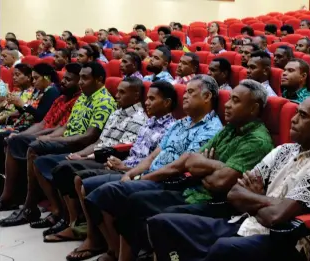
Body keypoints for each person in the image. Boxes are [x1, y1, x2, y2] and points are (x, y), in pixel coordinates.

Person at [148, 93, 310, 261]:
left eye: (303, 116)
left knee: (224, 248)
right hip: (245, 224)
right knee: (162, 224)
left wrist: (254, 198)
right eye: (296, 113)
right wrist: (267, 202)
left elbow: (276, 218)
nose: (293, 119)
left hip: (285, 243)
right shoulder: (285, 150)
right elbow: (234, 193)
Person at [112, 79, 274, 261]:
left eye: (235, 101)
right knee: (134, 201)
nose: (227, 105)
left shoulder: (256, 141)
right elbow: (191, 161)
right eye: (229, 99)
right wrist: (216, 166)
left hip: (214, 203)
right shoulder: (229, 128)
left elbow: (218, 183)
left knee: (161, 220)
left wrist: (207, 166)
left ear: (253, 108)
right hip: (193, 189)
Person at [81, 75, 223, 261]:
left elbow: (180, 167)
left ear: (207, 97)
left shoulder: (212, 129)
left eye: (190, 92)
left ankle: (125, 255)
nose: (185, 97)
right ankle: (114, 250)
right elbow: (154, 155)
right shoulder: (180, 123)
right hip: (150, 174)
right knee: (92, 187)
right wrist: (131, 173)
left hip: (171, 182)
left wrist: (141, 179)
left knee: (112, 193)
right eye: (185, 92)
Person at [59, 81, 176, 260]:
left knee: (101, 192)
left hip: (140, 173)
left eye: (152, 99)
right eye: (148, 98)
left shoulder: (170, 127)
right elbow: (134, 150)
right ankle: (107, 244)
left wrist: (126, 168)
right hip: (127, 166)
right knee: (79, 181)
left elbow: (155, 162)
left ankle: (113, 249)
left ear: (167, 102)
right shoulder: (150, 122)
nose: (147, 103)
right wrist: (120, 163)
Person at [0, 62, 117, 227]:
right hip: (68, 139)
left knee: (34, 149)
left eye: (85, 78)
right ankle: (43, 207)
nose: (81, 82)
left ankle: (33, 207)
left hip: (80, 145)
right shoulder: (84, 96)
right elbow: (64, 127)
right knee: (26, 144)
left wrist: (52, 140)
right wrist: (48, 137)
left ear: (98, 79)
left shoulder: (103, 101)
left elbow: (89, 136)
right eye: (80, 78)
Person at [0, 63, 82, 210]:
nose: (33, 82)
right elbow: (44, 122)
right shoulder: (60, 97)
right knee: (11, 138)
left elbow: (51, 124)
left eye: (36, 78)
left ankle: (13, 197)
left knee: (16, 141)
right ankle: (12, 192)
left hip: (61, 138)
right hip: (44, 131)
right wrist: (21, 134)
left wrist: (23, 110)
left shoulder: (54, 92)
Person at [1, 63, 61, 133]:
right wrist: (16, 104)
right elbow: (25, 112)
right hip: (20, 124)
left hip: (31, 129)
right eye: (33, 78)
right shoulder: (38, 90)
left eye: (36, 78)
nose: (33, 81)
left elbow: (40, 116)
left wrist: (24, 105)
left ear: (46, 78)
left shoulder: (52, 91)